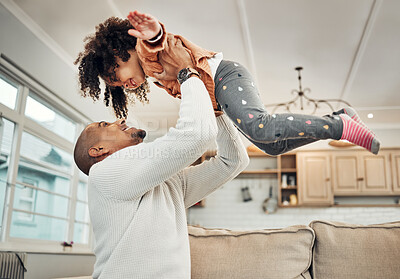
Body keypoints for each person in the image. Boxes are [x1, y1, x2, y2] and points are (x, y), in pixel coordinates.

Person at [75, 11, 380, 155]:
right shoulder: (155, 77)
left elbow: (161, 42)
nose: (122, 84)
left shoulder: (146, 52)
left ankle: (340, 124)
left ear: (121, 52)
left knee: (261, 127)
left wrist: (153, 32)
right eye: (115, 86)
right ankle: (338, 122)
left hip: (225, 76)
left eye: (117, 75)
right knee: (268, 145)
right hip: (222, 88)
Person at [73, 36, 249, 278]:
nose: (120, 120)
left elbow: (234, 161)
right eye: (105, 124)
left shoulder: (165, 186)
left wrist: (213, 107)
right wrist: (186, 73)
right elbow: (196, 135)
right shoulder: (103, 174)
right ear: (99, 151)